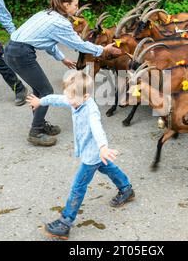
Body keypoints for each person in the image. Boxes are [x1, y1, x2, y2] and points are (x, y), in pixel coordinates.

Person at [4, 0, 121, 146]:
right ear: (65, 5)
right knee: (46, 91)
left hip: (14, 49)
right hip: (20, 54)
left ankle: (39, 123)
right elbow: (79, 45)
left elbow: (46, 41)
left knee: (39, 90)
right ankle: (36, 131)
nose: (77, 8)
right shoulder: (61, 23)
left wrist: (62, 58)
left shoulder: (46, 13)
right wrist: (102, 50)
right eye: (75, 5)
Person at [27, 71, 135, 240]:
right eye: (67, 96)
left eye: (71, 98)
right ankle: (126, 189)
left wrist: (103, 147)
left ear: (85, 96)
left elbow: (97, 129)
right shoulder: (73, 99)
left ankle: (65, 222)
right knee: (109, 168)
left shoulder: (91, 110)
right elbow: (58, 99)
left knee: (78, 186)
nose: (68, 100)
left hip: (93, 154)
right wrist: (40, 101)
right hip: (92, 153)